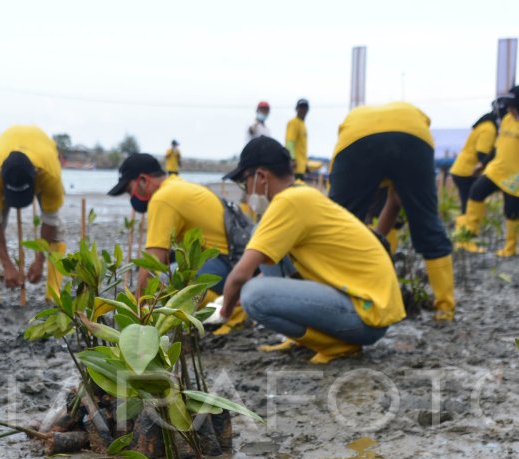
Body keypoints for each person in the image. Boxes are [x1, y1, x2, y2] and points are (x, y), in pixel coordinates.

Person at [219, 137, 406, 364]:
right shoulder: (301, 195)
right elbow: (268, 265)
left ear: (260, 176)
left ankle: (338, 346)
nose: (246, 191)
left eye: (244, 181)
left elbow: (239, 276)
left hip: (366, 315)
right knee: (260, 233)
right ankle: (303, 339)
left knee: (253, 296)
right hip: (363, 306)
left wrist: (224, 313)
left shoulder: (288, 202)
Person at [327, 101, 457, 321]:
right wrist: (378, 239)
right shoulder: (409, 127)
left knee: (338, 225)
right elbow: (396, 200)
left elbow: (341, 213)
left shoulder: (346, 145)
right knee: (427, 222)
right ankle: (445, 308)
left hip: (357, 138)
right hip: (414, 132)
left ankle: (336, 300)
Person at [108, 153, 247, 335]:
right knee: (170, 266)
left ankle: (232, 311)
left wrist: (137, 312)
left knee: (166, 282)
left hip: (225, 266)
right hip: (235, 261)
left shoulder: (163, 197)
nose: (130, 197)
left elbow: (153, 262)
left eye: (129, 190)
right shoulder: (177, 185)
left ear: (143, 180)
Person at [454, 85, 519, 258]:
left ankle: (510, 248)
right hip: (497, 168)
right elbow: (497, 147)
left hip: (517, 175)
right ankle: (468, 238)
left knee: (511, 211)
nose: (509, 110)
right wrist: (482, 164)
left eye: (512, 107)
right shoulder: (507, 120)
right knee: (475, 193)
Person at [0, 125, 66, 304]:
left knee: (58, 228)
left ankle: (54, 292)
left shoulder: (50, 175)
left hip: (42, 157)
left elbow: (50, 219)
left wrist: (40, 260)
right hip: (3, 159)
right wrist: (8, 265)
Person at [448, 99, 505, 213]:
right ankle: (465, 228)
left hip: (463, 170)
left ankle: (465, 227)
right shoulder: (489, 129)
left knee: (469, 204)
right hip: (467, 172)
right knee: (469, 205)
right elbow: (482, 153)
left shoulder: (485, 124)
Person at [286, 99, 309, 180]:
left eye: (305, 108)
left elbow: (302, 148)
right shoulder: (293, 122)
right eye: (301, 107)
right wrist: (292, 159)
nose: (303, 110)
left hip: (301, 168)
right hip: (295, 168)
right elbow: (289, 142)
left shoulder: (302, 125)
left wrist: (305, 164)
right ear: (296, 109)